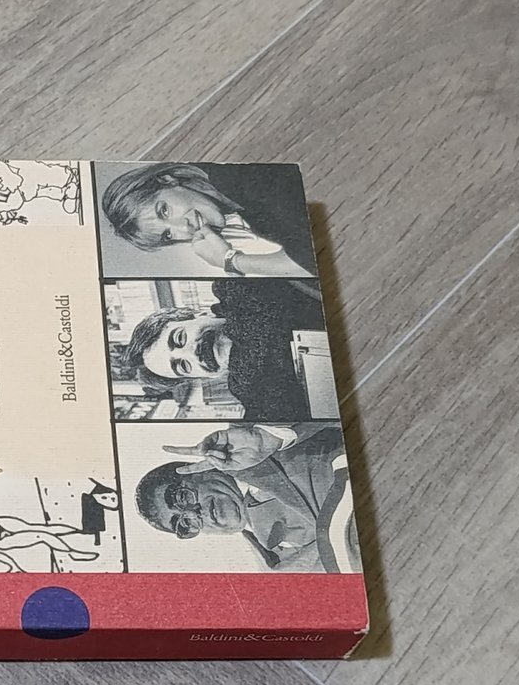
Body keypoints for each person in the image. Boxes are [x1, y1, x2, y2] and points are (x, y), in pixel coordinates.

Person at [134, 423, 347, 571]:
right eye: (184, 524)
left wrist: (280, 436)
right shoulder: (275, 572)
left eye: (182, 498)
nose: (194, 513)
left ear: (198, 471)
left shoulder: (255, 442)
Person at [122, 279, 329, 420]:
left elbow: (263, 328)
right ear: (206, 377)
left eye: (179, 338)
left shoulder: (234, 288)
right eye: (183, 366)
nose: (191, 353)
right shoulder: (250, 395)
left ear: (198, 314)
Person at [101, 163, 313, 276]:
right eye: (168, 235)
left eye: (164, 211)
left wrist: (231, 262)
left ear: (167, 180)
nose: (183, 228)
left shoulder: (236, 180)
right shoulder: (240, 207)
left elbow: (308, 261)